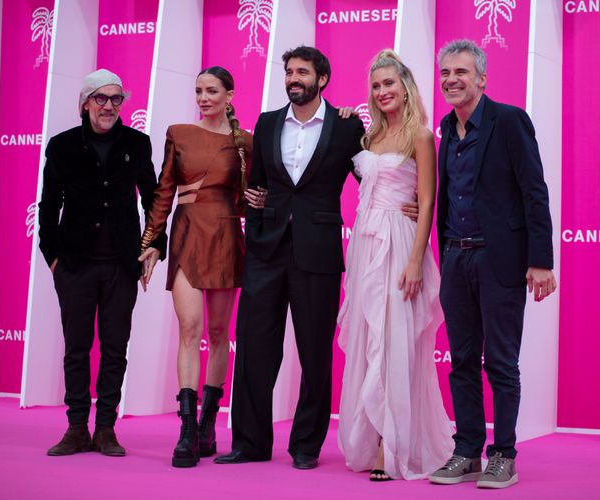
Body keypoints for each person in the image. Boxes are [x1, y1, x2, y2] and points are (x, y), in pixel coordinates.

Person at [213, 45, 369, 470]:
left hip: (317, 252)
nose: (293, 78)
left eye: (302, 72)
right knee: (253, 347)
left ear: (322, 79)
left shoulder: (346, 126)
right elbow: (258, 183)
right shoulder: (266, 123)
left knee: (314, 352)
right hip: (266, 249)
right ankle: (250, 442)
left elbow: (371, 177)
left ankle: (306, 445)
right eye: (289, 72)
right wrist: (255, 212)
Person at [428, 39, 556, 489]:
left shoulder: (509, 121)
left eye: (461, 72)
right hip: (455, 258)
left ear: (482, 78)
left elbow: (534, 191)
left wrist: (540, 261)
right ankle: (467, 451)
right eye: (445, 73)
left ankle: (504, 455)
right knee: (461, 360)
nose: (451, 80)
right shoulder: (446, 130)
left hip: (498, 260)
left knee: (500, 362)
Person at [336, 50, 455, 482]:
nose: (382, 91)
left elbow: (427, 202)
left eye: (389, 83)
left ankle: (392, 444)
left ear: (405, 87)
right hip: (365, 244)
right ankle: (372, 437)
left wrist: (416, 261)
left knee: (394, 340)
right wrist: (345, 117)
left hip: (400, 245)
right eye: (376, 85)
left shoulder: (419, 136)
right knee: (370, 337)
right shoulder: (368, 137)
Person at [39, 69, 167, 457]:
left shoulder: (137, 143)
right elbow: (49, 205)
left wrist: (155, 245)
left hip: (121, 266)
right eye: (101, 98)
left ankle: (106, 429)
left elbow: (154, 199)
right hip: (74, 265)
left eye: (116, 99)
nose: (109, 106)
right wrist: (53, 258)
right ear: (85, 103)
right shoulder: (62, 146)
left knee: (114, 349)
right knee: (76, 349)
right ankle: (77, 428)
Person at [138, 66, 260, 468]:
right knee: (189, 329)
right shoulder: (179, 133)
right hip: (187, 235)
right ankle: (187, 430)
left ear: (229, 95)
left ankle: (208, 424)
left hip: (225, 237)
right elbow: (163, 193)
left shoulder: (245, 142)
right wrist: (150, 242)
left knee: (219, 333)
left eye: (211, 91)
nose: (203, 98)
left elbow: (250, 198)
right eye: (198, 91)